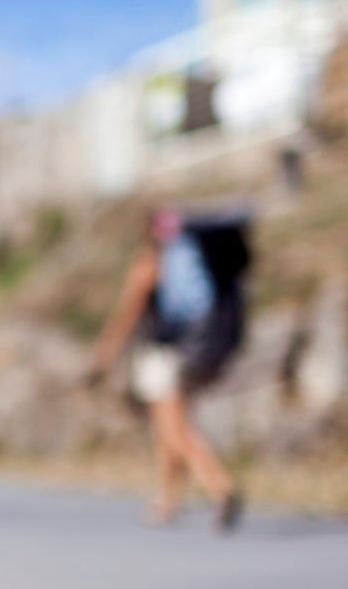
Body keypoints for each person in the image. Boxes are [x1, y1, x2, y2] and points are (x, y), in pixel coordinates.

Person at [86, 205, 248, 531]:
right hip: (198, 348)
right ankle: (168, 500)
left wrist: (103, 354)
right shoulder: (191, 263)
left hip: (163, 355)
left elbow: (128, 315)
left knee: (174, 430)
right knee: (168, 431)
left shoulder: (148, 265)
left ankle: (220, 487)